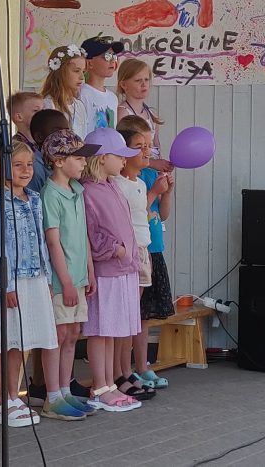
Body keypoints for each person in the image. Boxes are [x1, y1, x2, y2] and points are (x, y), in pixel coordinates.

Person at [0, 141, 67, 426]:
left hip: (35, 276)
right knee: (5, 340)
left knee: (21, 342)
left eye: (29, 164)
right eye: (17, 165)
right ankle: (1, 399)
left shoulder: (33, 199)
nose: (25, 170)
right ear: (2, 167)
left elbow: (41, 241)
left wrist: (46, 276)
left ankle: (13, 394)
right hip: (13, 280)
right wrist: (4, 284)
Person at [80, 127, 145, 412]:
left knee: (110, 331)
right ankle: (101, 386)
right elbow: (91, 231)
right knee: (100, 330)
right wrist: (115, 248)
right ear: (103, 157)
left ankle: (107, 383)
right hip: (107, 271)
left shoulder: (110, 186)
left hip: (121, 269)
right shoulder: (90, 191)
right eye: (119, 156)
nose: (123, 162)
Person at [38, 130, 99, 419]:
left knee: (73, 334)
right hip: (61, 279)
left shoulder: (78, 190)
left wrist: (89, 270)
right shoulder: (51, 194)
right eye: (78, 157)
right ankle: (52, 396)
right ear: (59, 161)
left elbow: (83, 234)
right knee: (59, 333)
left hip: (78, 276)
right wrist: (64, 282)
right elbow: (53, 241)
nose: (84, 163)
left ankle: (65, 390)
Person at [116, 116, 174, 388]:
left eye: (149, 145)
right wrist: (153, 193)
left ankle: (139, 367)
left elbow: (160, 215)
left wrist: (167, 192)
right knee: (130, 315)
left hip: (151, 249)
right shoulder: (123, 183)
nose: (148, 151)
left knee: (143, 316)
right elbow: (133, 213)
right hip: (134, 252)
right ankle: (124, 371)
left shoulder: (146, 177)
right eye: (141, 145)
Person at [115, 58, 172, 171]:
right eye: (138, 80)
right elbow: (123, 149)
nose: (144, 84)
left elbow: (156, 145)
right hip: (135, 171)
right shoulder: (123, 112)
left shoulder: (150, 113)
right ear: (124, 84)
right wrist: (152, 163)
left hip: (153, 171)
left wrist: (162, 167)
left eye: (146, 80)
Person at [40, 44, 91, 139]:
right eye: (76, 71)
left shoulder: (79, 105)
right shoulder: (48, 104)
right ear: (61, 72)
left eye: (83, 72)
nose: (82, 77)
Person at [79, 36, 123, 130]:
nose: (112, 61)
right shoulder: (81, 94)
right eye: (107, 56)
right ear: (89, 63)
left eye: (114, 56)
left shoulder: (113, 98)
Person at [27, 109, 70, 195]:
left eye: (67, 131)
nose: (64, 136)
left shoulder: (66, 159)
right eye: (57, 131)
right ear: (39, 137)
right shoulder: (35, 166)